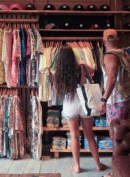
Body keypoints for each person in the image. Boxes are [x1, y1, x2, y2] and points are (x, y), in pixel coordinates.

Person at [53, 45, 106, 173]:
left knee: (74, 136)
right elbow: (93, 70)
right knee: (90, 136)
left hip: (70, 104)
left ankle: (77, 166)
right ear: (72, 56)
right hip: (84, 103)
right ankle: (98, 164)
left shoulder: (58, 71)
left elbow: (57, 91)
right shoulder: (81, 67)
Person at [97, 28, 130, 125]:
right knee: (125, 134)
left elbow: (112, 78)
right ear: (117, 39)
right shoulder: (124, 53)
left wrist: (103, 99)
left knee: (115, 134)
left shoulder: (110, 56)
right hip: (126, 99)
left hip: (115, 101)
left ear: (104, 41)